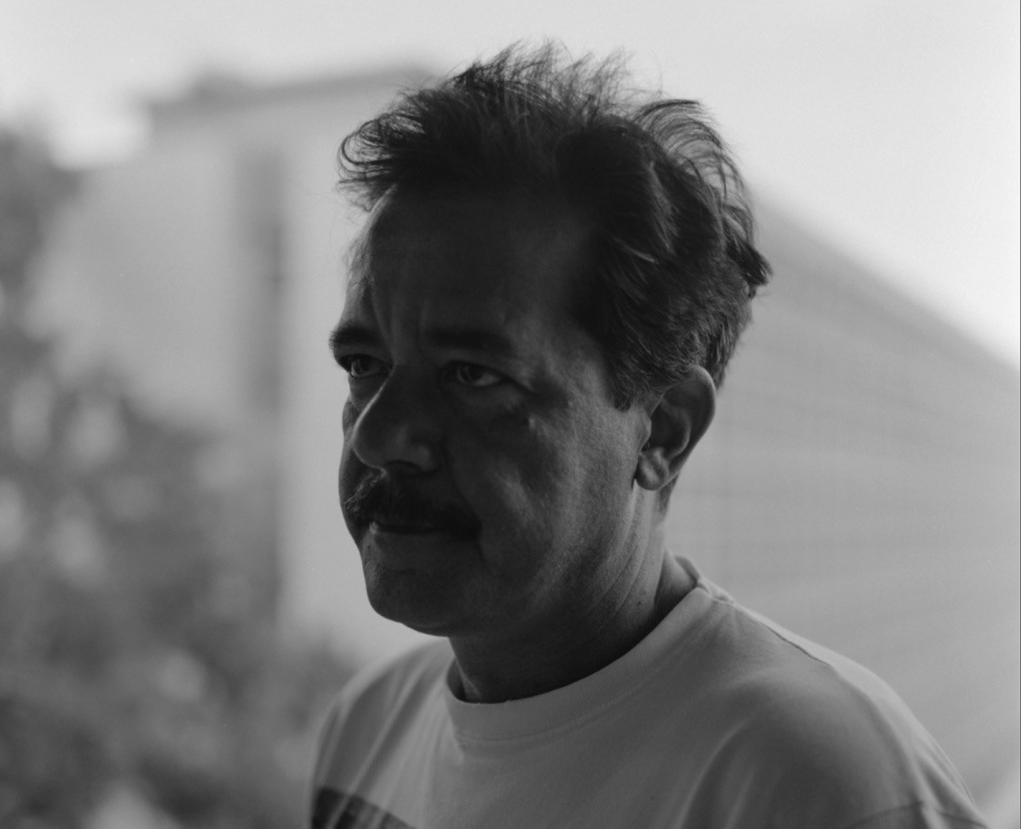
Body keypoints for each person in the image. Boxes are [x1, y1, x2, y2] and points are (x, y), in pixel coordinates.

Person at [309, 44, 987, 829]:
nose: (379, 437)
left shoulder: (821, 784)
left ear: (664, 429)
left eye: (472, 375)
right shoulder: (365, 730)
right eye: (364, 365)